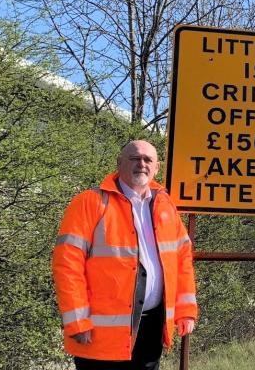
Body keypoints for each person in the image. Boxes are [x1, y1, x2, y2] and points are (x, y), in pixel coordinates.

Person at [52, 140, 198, 369]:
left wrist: (186, 310)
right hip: (99, 336)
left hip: (151, 329)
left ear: (157, 167)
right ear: (119, 163)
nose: (142, 164)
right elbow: (67, 265)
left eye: (148, 159)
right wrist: (77, 321)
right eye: (134, 158)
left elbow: (182, 260)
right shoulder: (90, 202)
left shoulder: (165, 205)